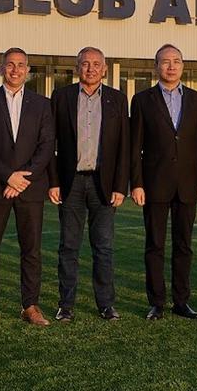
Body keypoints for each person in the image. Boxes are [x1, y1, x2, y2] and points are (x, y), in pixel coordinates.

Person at [0, 47, 55, 327]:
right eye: (10, 65)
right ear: (1, 68)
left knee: (31, 250)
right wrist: (8, 177)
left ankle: (30, 306)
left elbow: (46, 147)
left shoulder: (42, 104)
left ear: (28, 70)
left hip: (30, 189)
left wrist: (22, 179)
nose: (15, 70)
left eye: (21, 65)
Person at [48, 47, 130, 322]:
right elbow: (50, 143)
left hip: (103, 184)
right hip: (71, 183)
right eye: (85, 64)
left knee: (103, 247)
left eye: (96, 64)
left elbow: (124, 147)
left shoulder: (118, 100)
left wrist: (121, 186)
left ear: (105, 69)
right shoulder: (61, 97)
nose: (91, 68)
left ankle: (105, 304)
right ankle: (66, 305)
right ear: (77, 68)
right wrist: (54, 181)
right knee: (69, 246)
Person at [130, 44, 197, 320]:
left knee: (184, 245)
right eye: (165, 61)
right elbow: (135, 146)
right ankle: (157, 302)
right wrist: (136, 183)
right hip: (154, 183)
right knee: (155, 245)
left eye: (176, 61)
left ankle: (181, 301)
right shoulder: (142, 100)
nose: (171, 66)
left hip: (187, 184)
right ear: (157, 67)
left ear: (183, 65)